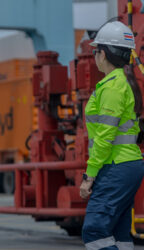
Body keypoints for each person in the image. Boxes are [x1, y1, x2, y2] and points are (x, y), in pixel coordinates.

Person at [80, 21, 144, 250]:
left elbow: (105, 137)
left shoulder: (111, 87)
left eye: (95, 50)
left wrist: (90, 175)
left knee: (94, 230)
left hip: (116, 165)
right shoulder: (123, 82)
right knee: (118, 234)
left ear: (103, 53)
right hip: (126, 164)